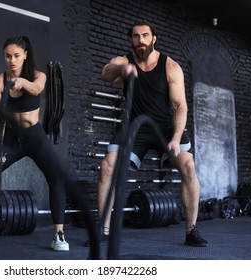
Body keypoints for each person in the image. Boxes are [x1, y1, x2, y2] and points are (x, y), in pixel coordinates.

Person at [89, 20, 207, 247]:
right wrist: (121, 70)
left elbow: (181, 106)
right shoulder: (125, 61)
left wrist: (174, 138)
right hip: (135, 128)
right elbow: (106, 73)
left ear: (153, 39)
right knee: (107, 167)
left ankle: (191, 230)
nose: (140, 40)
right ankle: (103, 229)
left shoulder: (170, 66)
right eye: (135, 36)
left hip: (166, 128)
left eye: (145, 36)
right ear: (132, 40)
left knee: (189, 166)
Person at [0, 35, 69, 251]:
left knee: (56, 177)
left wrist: (23, 82)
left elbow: (37, 88)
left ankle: (59, 235)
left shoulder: (39, 76)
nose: (12, 60)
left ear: (25, 56)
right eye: (8, 56)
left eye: (17, 56)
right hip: (11, 140)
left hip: (35, 138)